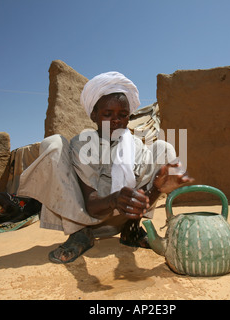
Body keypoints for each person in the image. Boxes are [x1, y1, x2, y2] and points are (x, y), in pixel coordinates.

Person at [17, 71, 194, 264]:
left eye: (123, 115)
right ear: (94, 115)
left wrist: (156, 189)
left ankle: (131, 230)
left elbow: (140, 200)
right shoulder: (82, 145)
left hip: (125, 217)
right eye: (107, 114)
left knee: (163, 148)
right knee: (53, 144)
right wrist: (115, 199)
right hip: (86, 217)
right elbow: (92, 206)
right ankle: (80, 233)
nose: (116, 120)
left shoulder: (137, 147)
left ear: (129, 117)